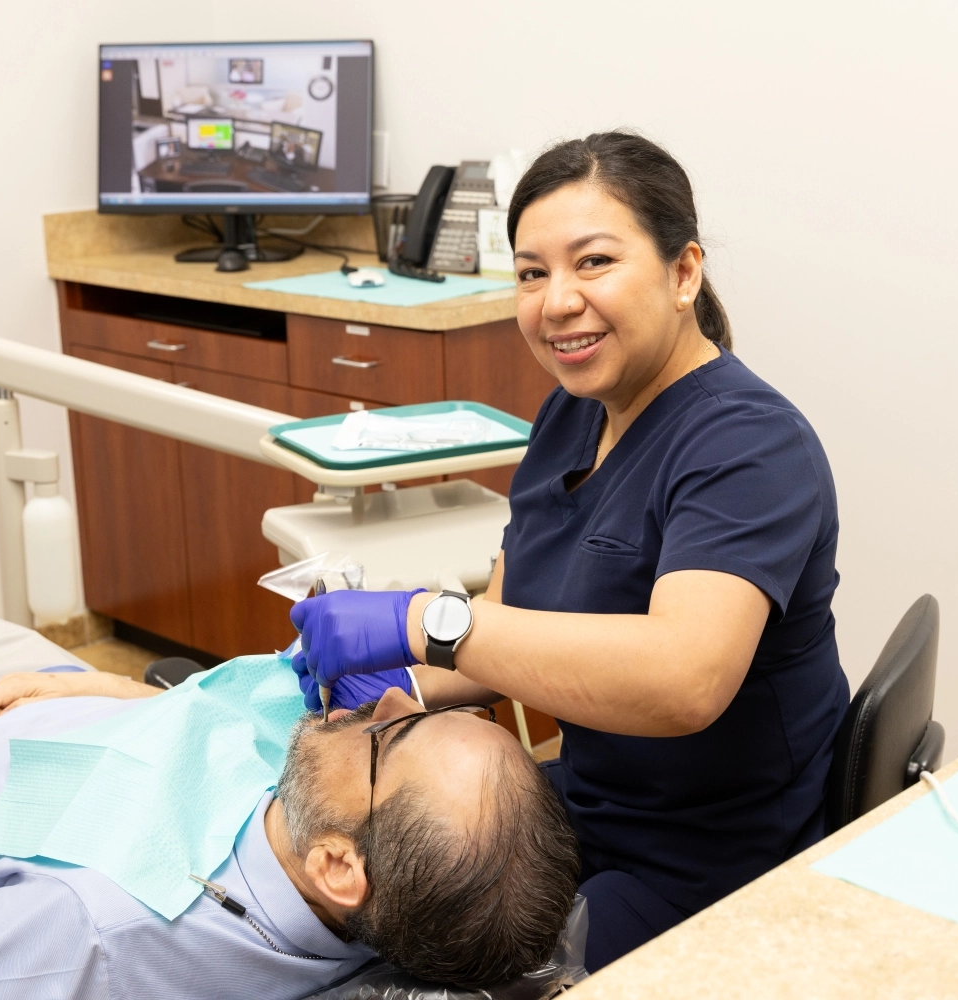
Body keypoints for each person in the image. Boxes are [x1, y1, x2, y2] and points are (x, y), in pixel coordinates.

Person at [0, 421, 580, 999]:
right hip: (46, 696)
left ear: (340, 866)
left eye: (396, 734)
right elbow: (206, 748)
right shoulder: (336, 820)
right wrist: (98, 689)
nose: (391, 701)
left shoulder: (98, 935)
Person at [290, 131, 852, 971]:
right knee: (339, 907)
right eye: (531, 273)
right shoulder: (570, 415)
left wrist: (419, 621)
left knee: (419, 961)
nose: (556, 302)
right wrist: (389, 682)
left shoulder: (749, 446)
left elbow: (685, 679)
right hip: (588, 809)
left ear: (683, 273)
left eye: (594, 262)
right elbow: (507, 627)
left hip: (710, 861)